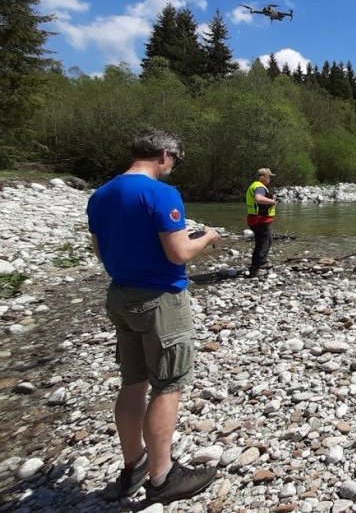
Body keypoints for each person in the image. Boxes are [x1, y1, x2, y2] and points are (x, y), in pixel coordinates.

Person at [86, 129, 220, 504]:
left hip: (121, 296)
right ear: (163, 155)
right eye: (173, 161)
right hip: (160, 299)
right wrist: (207, 237)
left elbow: (101, 250)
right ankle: (162, 479)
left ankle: (134, 467)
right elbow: (178, 253)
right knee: (168, 385)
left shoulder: (101, 195)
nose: (172, 168)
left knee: (133, 381)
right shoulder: (160, 193)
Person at [246, 168, 277, 277]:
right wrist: (272, 201)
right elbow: (258, 198)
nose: (269, 179)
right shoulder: (259, 187)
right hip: (259, 220)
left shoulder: (254, 185)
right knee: (263, 244)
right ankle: (255, 270)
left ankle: (262, 263)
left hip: (256, 219)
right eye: (269, 176)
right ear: (263, 177)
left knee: (267, 241)